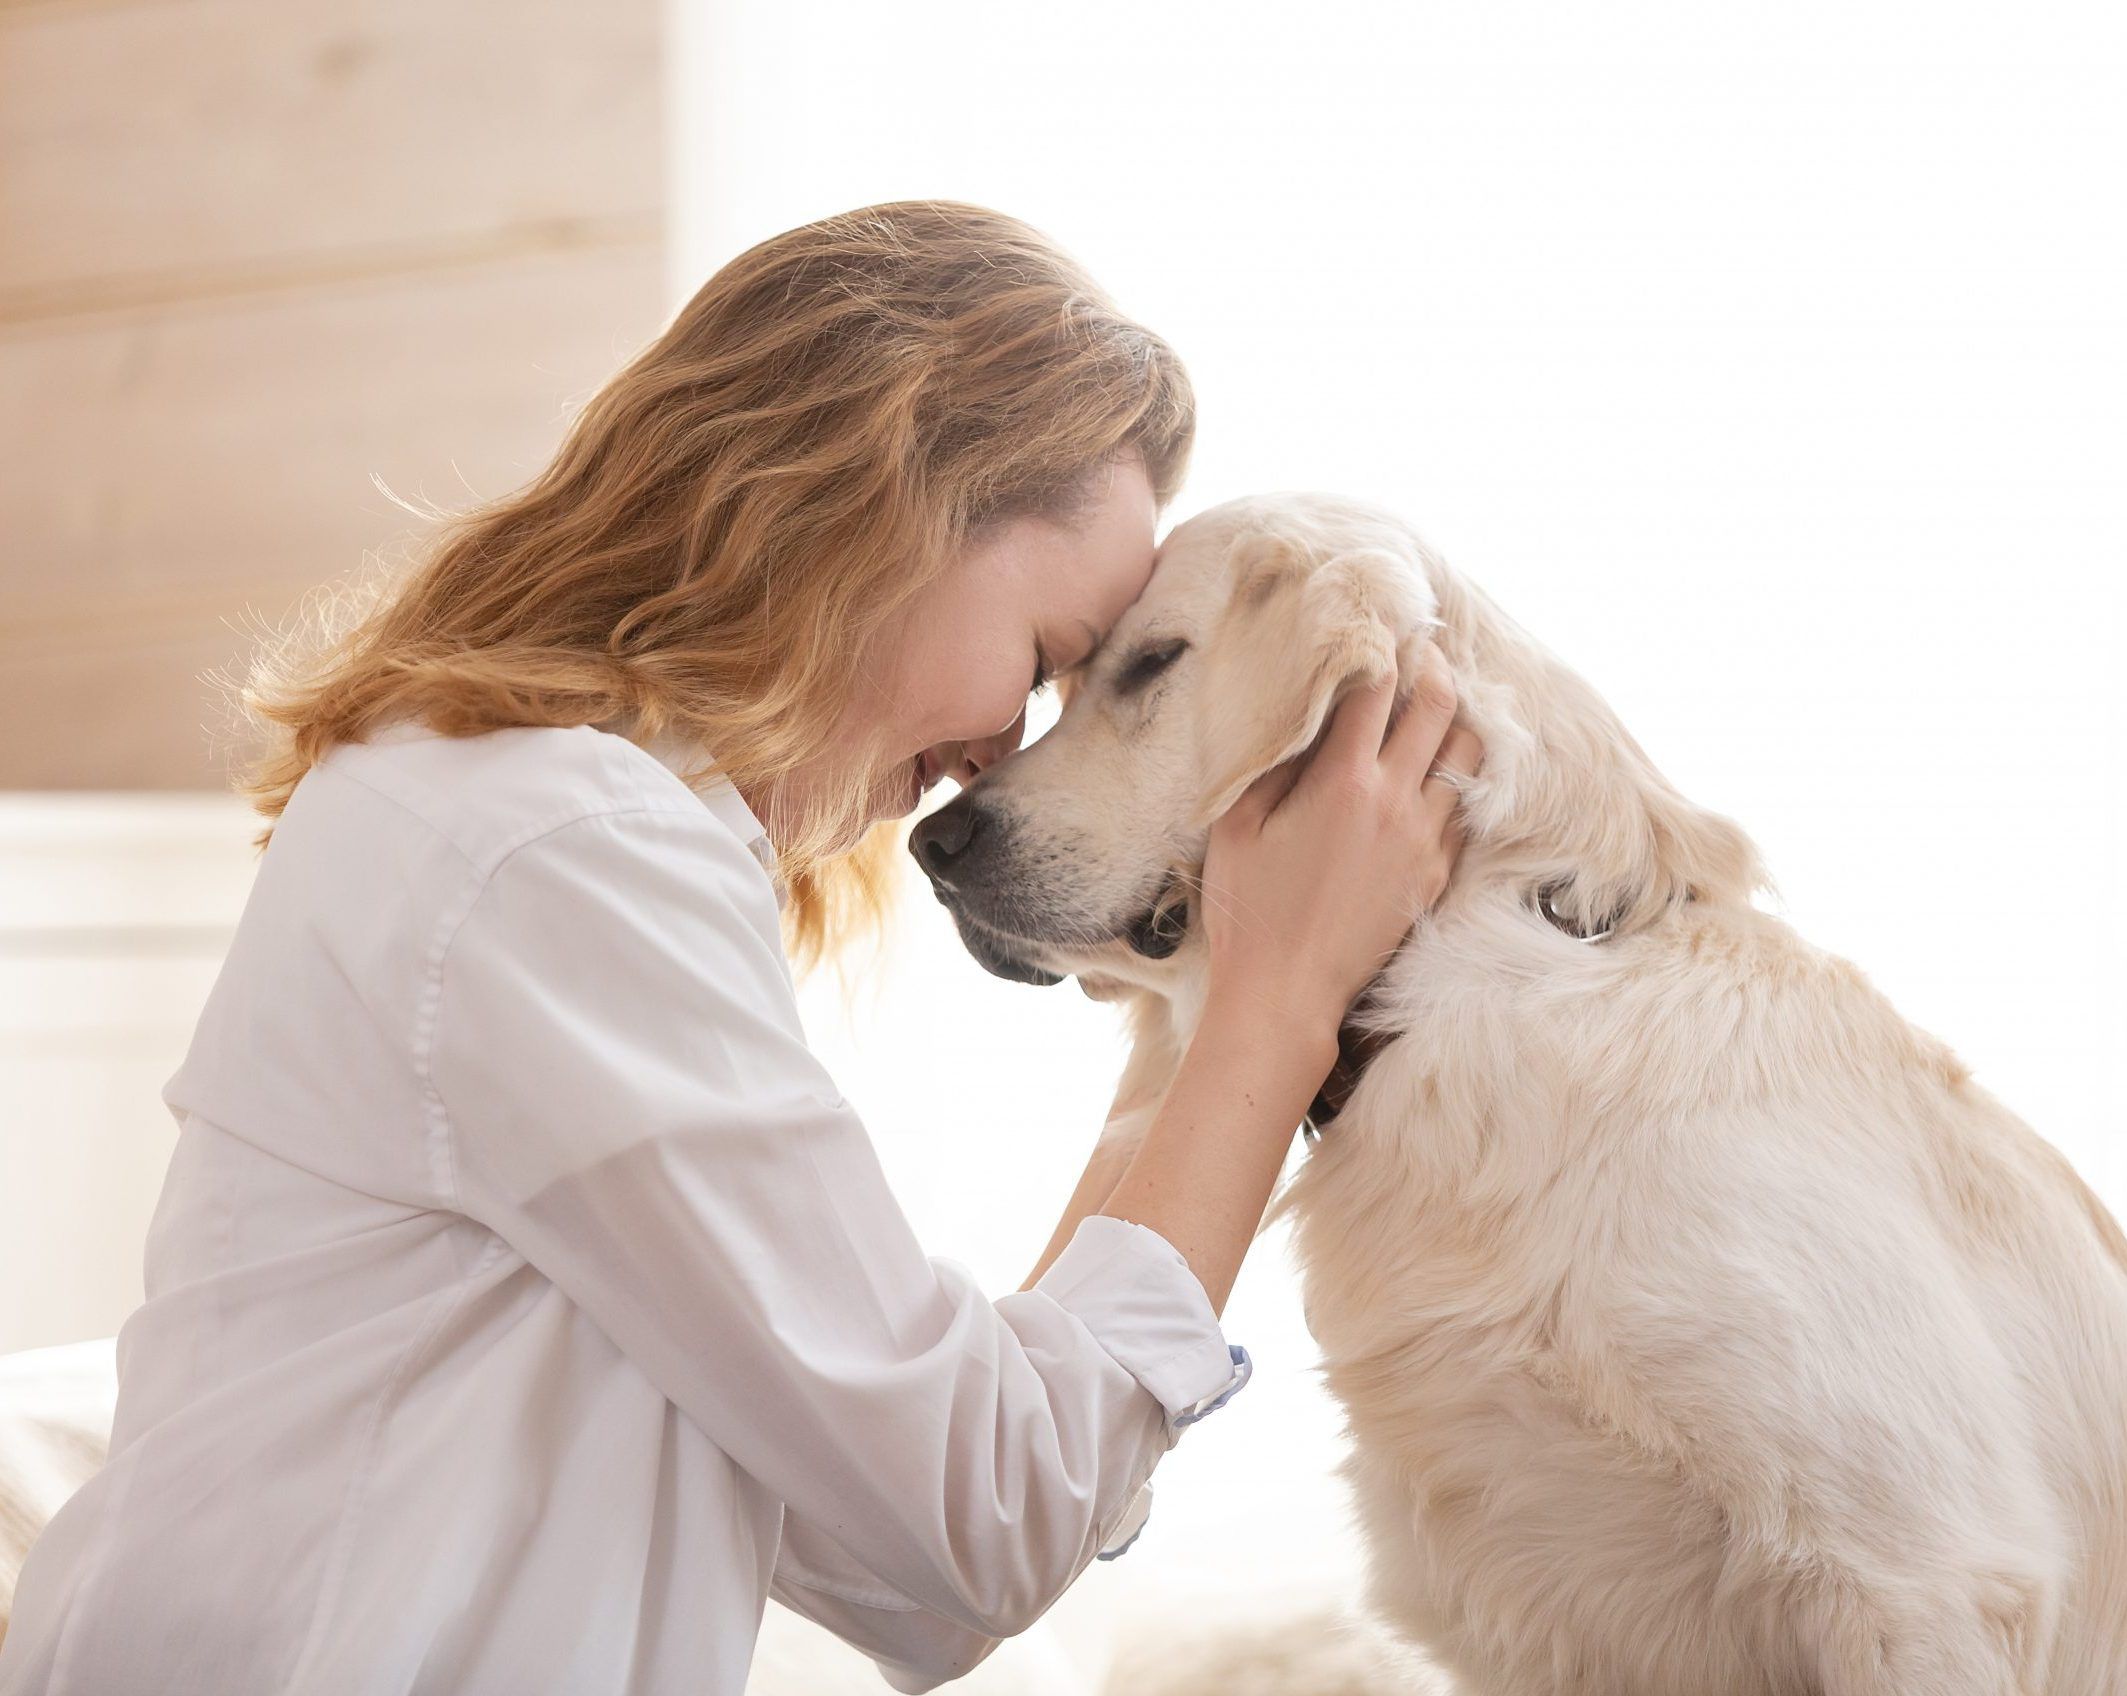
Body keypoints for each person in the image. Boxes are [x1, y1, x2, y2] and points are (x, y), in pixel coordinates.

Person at [0, 202, 1476, 1696]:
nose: (1000, 755)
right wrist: (1273, 1016)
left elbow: (919, 1572)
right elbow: (981, 1523)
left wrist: (1205, 1013)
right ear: (876, 512)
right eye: (1040, 661)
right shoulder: (559, 847)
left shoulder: (530, 816)